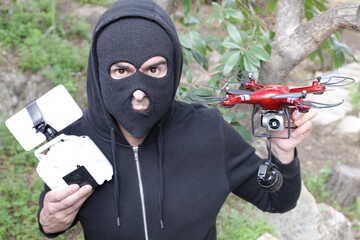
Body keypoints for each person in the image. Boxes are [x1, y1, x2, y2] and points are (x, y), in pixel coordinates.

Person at [38, 0, 317, 239]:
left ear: (173, 68)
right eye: (121, 71)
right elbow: (52, 216)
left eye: (154, 69)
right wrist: (49, 222)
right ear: (99, 73)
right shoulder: (73, 139)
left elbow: (277, 200)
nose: (138, 92)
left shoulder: (208, 131)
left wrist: (283, 154)